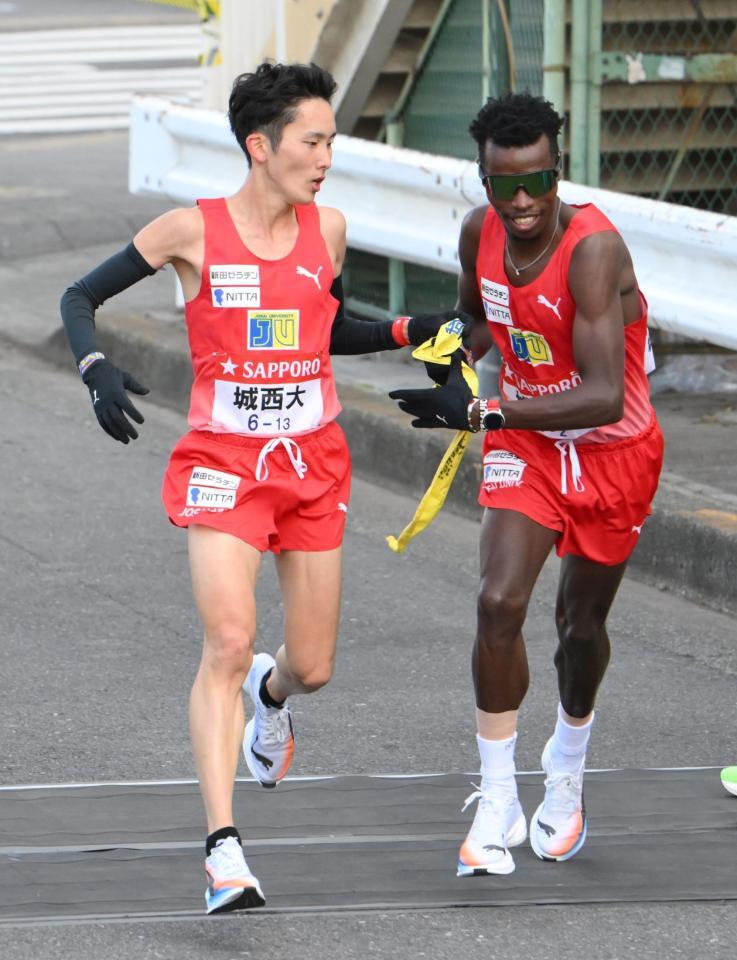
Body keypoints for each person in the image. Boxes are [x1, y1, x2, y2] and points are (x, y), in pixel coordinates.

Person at [60, 61, 457, 914]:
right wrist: (94, 365)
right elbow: (78, 296)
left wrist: (405, 328)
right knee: (228, 639)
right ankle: (222, 850)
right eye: (312, 141)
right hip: (223, 463)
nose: (325, 156)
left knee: (309, 665)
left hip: (311, 464)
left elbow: (325, 327)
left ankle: (270, 702)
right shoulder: (190, 232)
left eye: (329, 141)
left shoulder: (332, 229)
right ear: (260, 145)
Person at [390, 91, 663, 876]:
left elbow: (604, 392)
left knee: (579, 627)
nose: (518, 204)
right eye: (500, 185)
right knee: (497, 601)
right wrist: (445, 362)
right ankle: (499, 792)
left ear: (557, 172)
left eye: (535, 184)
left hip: (612, 452)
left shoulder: (592, 251)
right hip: (528, 448)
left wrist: (482, 411)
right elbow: (477, 321)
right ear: (482, 179)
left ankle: (567, 767)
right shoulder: (479, 232)